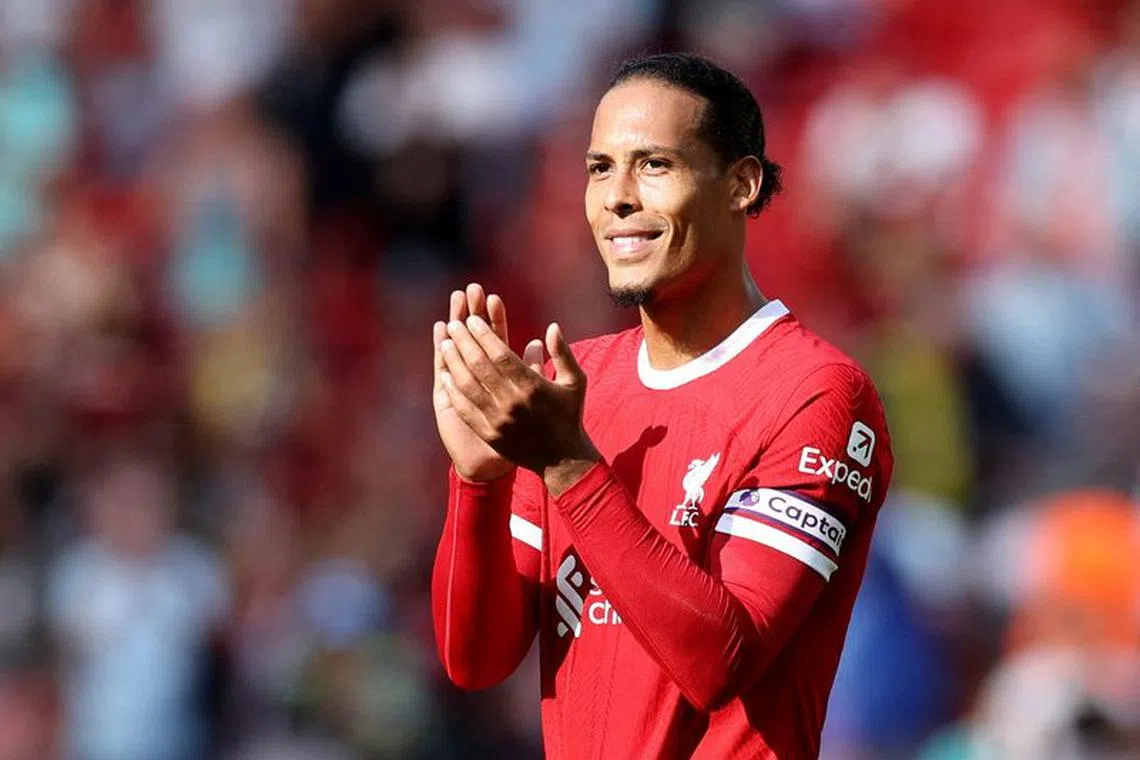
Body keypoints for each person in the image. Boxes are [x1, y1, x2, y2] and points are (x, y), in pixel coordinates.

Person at [430, 52, 894, 759]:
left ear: (741, 184)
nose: (616, 197)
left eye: (654, 165)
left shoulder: (818, 392)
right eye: (598, 168)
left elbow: (720, 661)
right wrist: (479, 482)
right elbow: (477, 661)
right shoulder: (577, 382)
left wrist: (568, 466)